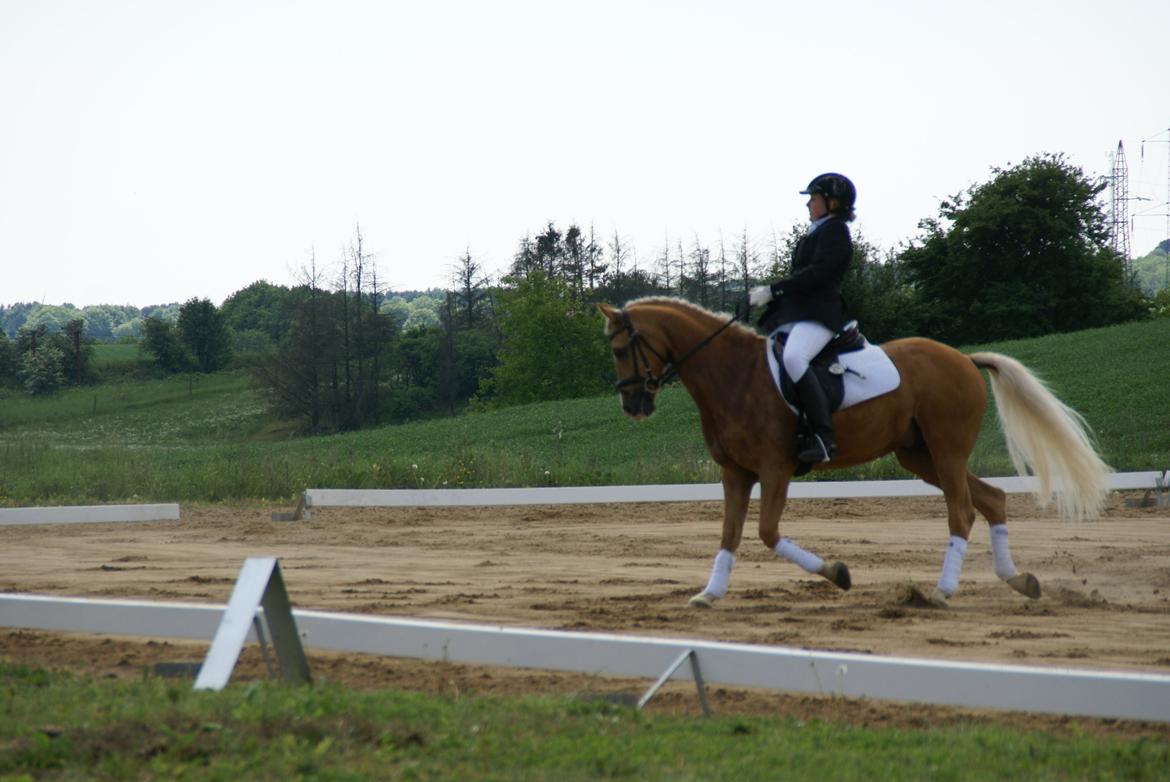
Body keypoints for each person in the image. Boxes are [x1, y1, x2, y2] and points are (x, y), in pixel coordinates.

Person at [749, 172, 857, 463]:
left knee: (794, 357)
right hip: (799, 314)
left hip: (820, 315)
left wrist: (773, 290)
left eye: (814, 198)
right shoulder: (814, 233)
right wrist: (762, 299)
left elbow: (817, 274)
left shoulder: (835, 231)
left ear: (832, 203)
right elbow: (799, 279)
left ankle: (823, 438)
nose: (808, 204)